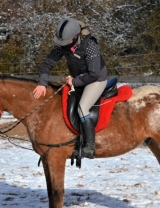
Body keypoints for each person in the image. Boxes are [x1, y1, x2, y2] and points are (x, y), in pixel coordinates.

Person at [33, 17, 107, 159]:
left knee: (82, 108)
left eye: (65, 42)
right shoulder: (63, 44)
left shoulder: (90, 44)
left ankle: (90, 147)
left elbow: (93, 74)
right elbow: (48, 64)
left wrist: (74, 81)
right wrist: (42, 83)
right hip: (78, 79)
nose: (62, 46)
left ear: (75, 36)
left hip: (96, 79)